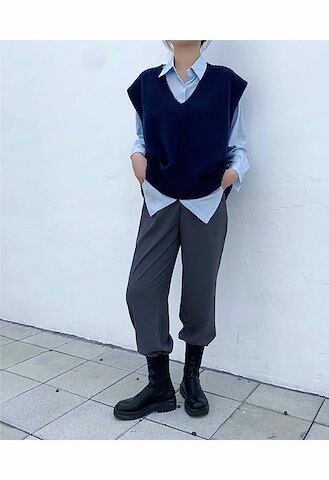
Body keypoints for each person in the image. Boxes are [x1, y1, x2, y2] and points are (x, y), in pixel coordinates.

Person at [114, 40, 249, 420]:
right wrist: (137, 159)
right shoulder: (147, 84)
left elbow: (238, 146)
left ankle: (191, 378)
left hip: (205, 204)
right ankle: (159, 384)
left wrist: (229, 176)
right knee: (141, 289)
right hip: (159, 200)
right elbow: (142, 138)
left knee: (199, 293)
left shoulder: (225, 84)